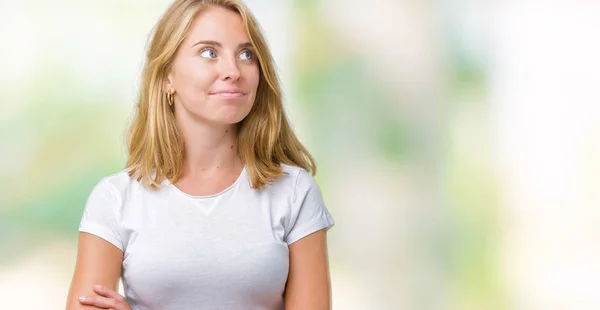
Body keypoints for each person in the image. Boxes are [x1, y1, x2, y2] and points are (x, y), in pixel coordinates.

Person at [65, 0, 335, 309]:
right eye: (209, 52)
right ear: (168, 76)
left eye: (246, 54)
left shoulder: (295, 193)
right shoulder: (115, 199)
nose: (233, 71)